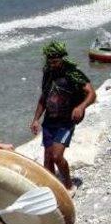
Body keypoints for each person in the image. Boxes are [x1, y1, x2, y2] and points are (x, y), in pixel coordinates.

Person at [30, 41, 96, 191]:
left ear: (62, 58)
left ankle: (68, 186)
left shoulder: (73, 73)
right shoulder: (47, 73)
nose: (53, 64)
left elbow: (92, 93)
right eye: (50, 62)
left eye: (56, 61)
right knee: (47, 158)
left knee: (57, 156)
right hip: (49, 122)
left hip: (66, 122)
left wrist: (80, 106)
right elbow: (43, 98)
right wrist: (36, 120)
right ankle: (53, 189)